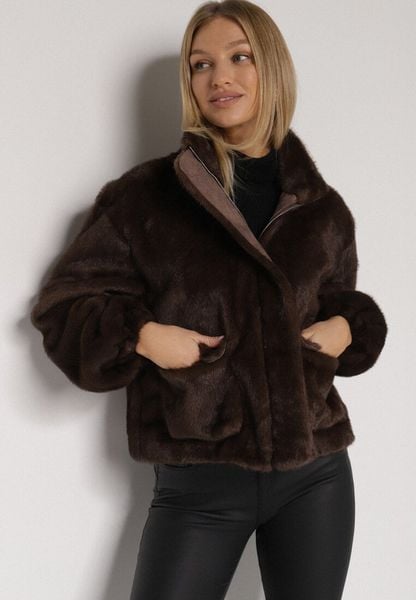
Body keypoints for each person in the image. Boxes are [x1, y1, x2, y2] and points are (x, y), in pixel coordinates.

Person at [30, 1, 388, 599]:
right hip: (199, 482)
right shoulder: (144, 199)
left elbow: (344, 302)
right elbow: (63, 309)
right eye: (201, 64)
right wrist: (143, 336)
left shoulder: (322, 210)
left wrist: (349, 327)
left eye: (239, 57)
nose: (220, 77)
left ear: (271, 68)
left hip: (317, 473)